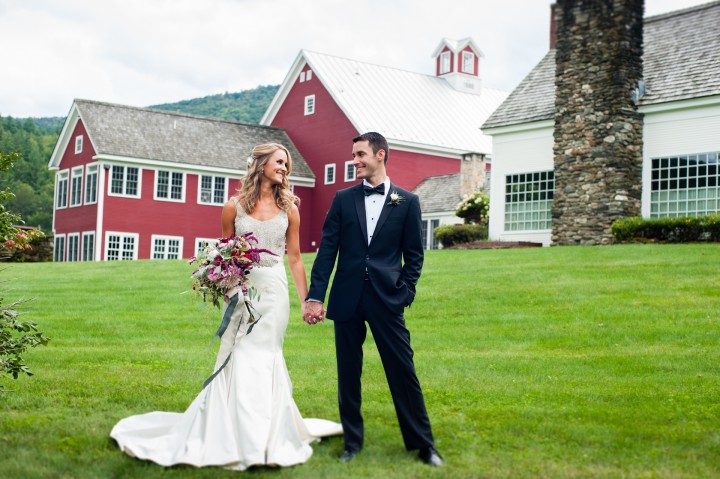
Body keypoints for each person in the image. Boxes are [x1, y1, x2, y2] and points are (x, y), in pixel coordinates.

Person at [111, 143, 341, 470]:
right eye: (279, 162)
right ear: (261, 164)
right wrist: (231, 286)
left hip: (274, 293)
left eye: (287, 164)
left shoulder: (291, 209)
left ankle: (265, 435)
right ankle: (232, 431)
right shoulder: (233, 207)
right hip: (241, 292)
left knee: (266, 355)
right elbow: (224, 253)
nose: (284, 169)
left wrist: (307, 301)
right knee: (240, 353)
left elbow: (294, 258)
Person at [303, 132, 443, 466]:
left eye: (360, 154)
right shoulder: (342, 199)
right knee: (348, 374)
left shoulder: (407, 201)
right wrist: (315, 297)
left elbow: (414, 255)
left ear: (380, 155)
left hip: (387, 299)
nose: (355, 161)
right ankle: (352, 443)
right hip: (347, 297)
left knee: (402, 370)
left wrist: (405, 292)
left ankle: (424, 445)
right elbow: (327, 253)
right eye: (353, 155)